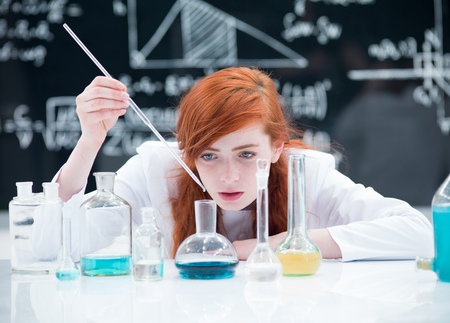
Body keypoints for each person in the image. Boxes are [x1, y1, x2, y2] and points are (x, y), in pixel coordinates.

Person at [51, 67, 432, 261]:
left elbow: (418, 233)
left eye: (247, 154)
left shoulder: (306, 174)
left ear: (278, 146)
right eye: (208, 155)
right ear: (188, 153)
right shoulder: (156, 171)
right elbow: (51, 246)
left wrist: (264, 246)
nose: (229, 176)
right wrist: (90, 140)